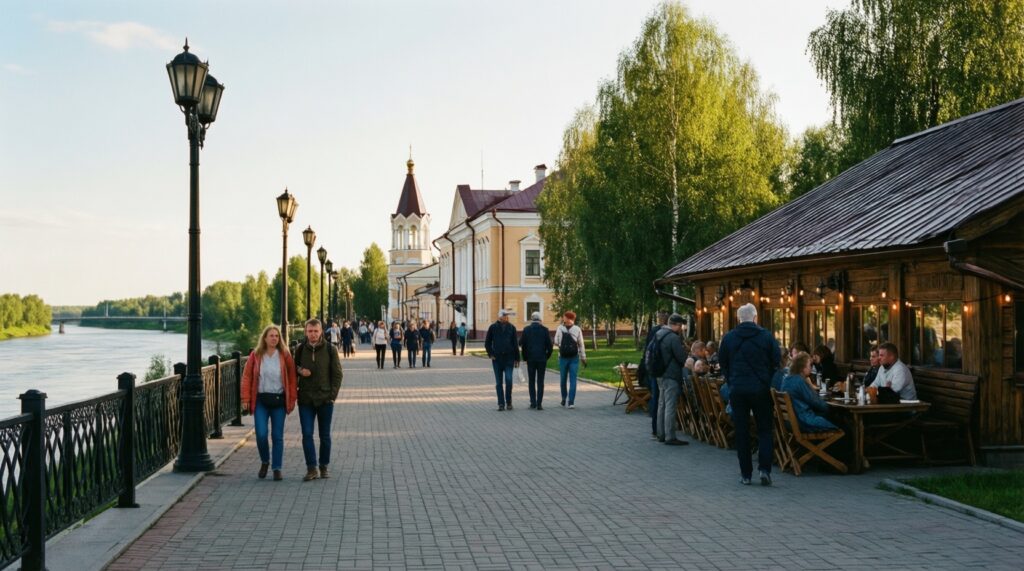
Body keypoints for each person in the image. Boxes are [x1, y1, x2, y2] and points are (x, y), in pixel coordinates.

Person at [718, 303, 780, 486]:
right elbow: (776, 361)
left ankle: (746, 474)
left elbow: (723, 363)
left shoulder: (729, 338)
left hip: (738, 390)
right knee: (764, 430)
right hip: (760, 389)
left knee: (742, 432)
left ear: (739, 319)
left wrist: (732, 381)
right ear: (755, 318)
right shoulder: (766, 336)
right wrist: (765, 379)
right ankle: (764, 469)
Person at [240, 324, 297, 481]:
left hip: (279, 400)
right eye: (271, 336)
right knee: (261, 434)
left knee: (277, 436)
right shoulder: (256, 355)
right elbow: (246, 377)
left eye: (276, 336)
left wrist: (291, 399)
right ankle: (265, 461)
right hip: (261, 401)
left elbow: (292, 378)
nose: (274, 338)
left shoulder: (285, 355)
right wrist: (245, 399)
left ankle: (276, 468)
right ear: (264, 338)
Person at [293, 319, 343, 482]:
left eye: (316, 331)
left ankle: (324, 466)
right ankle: (311, 468)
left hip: (324, 399)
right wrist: (300, 371)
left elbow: (337, 374)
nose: (313, 334)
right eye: (310, 331)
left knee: (324, 435)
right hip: (306, 399)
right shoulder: (300, 349)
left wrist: (332, 396)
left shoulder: (330, 349)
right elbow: (293, 368)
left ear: (321, 331)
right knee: (307, 434)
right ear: (306, 332)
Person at [654, 313, 689, 446]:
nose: (681, 329)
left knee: (661, 404)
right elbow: (681, 358)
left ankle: (661, 433)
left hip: (660, 374)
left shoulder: (659, 333)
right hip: (671, 375)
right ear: (676, 325)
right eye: (680, 326)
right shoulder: (673, 338)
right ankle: (670, 436)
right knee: (670, 405)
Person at [781, 352, 838, 432]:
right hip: (803, 422)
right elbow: (816, 402)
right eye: (810, 366)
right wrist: (831, 408)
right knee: (841, 425)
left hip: (789, 422)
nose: (811, 369)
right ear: (803, 368)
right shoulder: (799, 381)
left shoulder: (786, 379)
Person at [485, 309, 520, 411]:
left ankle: (509, 402)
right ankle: (501, 403)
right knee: (499, 382)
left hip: (509, 358)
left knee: (509, 380)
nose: (505, 317)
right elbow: (487, 343)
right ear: (499, 317)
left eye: (506, 316)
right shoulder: (493, 327)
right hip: (497, 359)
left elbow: (515, 344)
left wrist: (517, 358)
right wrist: (490, 354)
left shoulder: (512, 328)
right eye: (503, 316)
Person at [519, 311, 553, 410]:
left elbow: (522, 344)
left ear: (532, 319)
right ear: (540, 319)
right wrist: (546, 356)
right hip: (542, 359)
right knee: (540, 381)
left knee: (531, 381)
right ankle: (539, 404)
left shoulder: (526, 330)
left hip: (531, 359)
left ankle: (533, 402)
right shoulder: (545, 330)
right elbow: (550, 346)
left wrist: (525, 357)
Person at [642, 312, 668, 438]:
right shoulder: (663, 334)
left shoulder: (653, 331)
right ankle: (658, 429)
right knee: (659, 399)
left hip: (652, 369)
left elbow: (646, 349)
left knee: (656, 397)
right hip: (660, 371)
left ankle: (655, 428)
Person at [553, 311, 587, 409]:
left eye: (564, 317)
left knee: (563, 380)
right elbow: (581, 344)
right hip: (574, 357)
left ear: (568, 318)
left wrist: (562, 344)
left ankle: (565, 398)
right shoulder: (577, 329)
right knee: (573, 380)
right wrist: (583, 357)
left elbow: (556, 341)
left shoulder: (560, 328)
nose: (563, 318)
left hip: (563, 358)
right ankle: (571, 402)